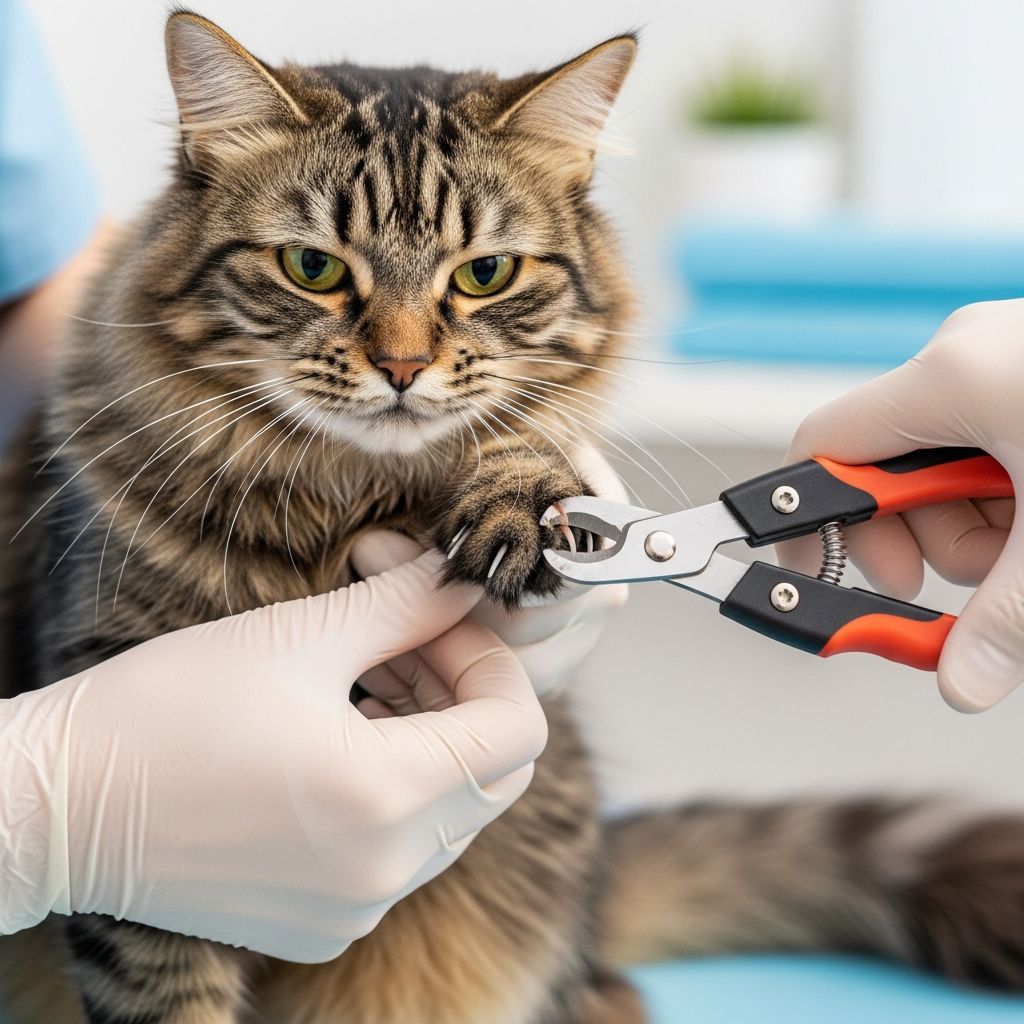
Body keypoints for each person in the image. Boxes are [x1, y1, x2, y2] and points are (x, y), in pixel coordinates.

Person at [0, 0, 627, 963]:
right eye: (311, 265)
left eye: (485, 273)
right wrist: (51, 809)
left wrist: (526, 467)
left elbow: (28, 280)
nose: (404, 353)